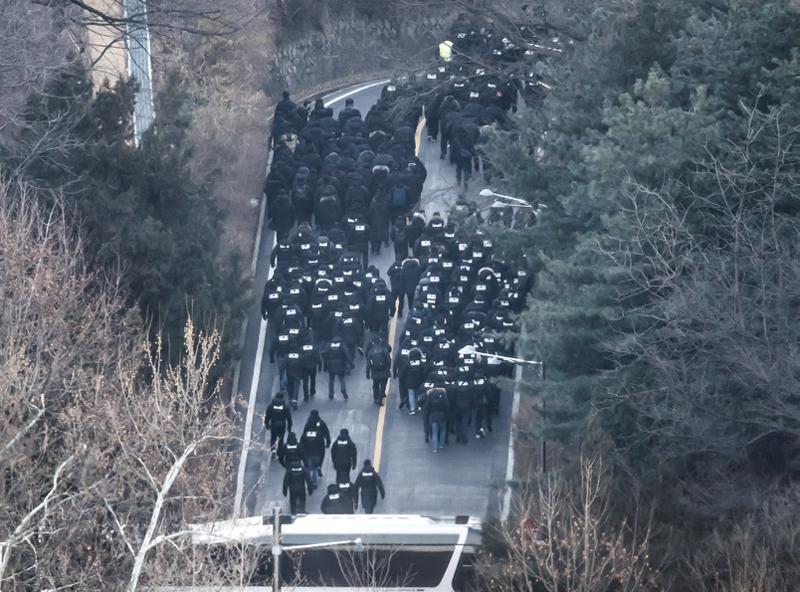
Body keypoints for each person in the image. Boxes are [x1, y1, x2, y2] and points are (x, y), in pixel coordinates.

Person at [300, 410, 331, 489]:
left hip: (308, 453)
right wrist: (328, 443)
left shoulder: (306, 428)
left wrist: (301, 453)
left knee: (309, 468)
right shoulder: (321, 427)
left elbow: (302, 442)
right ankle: (314, 482)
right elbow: (326, 433)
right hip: (317, 453)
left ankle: (309, 482)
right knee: (315, 468)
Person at [264, 391, 292, 459]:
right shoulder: (285, 407)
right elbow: (289, 417)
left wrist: (266, 423)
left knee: (273, 437)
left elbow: (267, 415)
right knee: (281, 439)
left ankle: (273, 449)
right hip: (282, 425)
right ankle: (280, 453)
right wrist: (289, 426)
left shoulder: (271, 406)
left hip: (274, 424)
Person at [365, 337, 392, 406]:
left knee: (375, 385)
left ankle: (375, 398)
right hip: (384, 370)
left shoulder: (371, 351)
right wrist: (388, 368)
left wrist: (367, 372)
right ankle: (380, 399)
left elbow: (368, 363)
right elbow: (388, 360)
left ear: (373, 343)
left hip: (375, 371)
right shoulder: (384, 349)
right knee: (383, 385)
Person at [423, 387, 450, 453]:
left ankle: (435, 447)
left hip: (433, 416)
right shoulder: (443, 395)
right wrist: (448, 414)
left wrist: (426, 416)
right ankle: (442, 445)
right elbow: (447, 406)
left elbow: (427, 407)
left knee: (434, 432)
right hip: (443, 415)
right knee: (443, 430)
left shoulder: (430, 396)